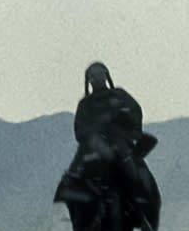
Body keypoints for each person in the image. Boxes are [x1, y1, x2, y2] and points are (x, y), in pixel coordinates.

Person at [52, 61, 156, 206]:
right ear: (89, 81)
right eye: (93, 76)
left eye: (100, 74)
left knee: (130, 163)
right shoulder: (85, 104)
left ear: (106, 76)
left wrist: (127, 127)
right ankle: (69, 198)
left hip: (119, 140)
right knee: (74, 172)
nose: (97, 79)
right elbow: (79, 129)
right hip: (93, 145)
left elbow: (135, 112)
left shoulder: (120, 95)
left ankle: (139, 201)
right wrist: (92, 132)